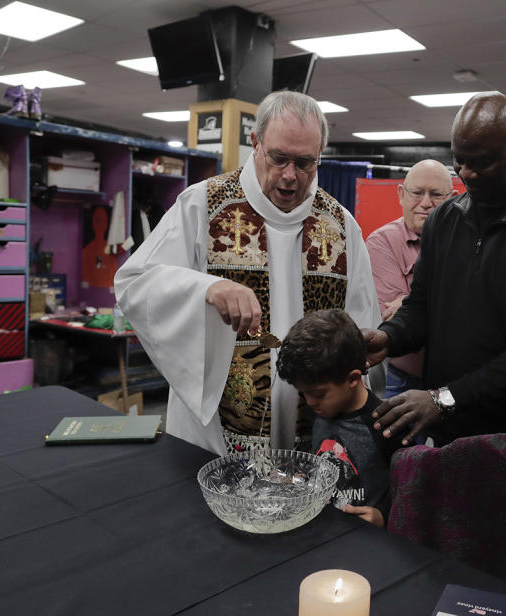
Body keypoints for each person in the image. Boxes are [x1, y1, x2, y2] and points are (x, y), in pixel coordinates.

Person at [115, 91, 381, 455]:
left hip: (315, 427)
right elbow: (134, 283)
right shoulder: (202, 205)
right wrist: (207, 288)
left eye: (305, 163)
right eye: (279, 158)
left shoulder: (340, 226)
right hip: (218, 432)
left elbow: (362, 325)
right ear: (255, 143)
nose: (290, 176)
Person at [363, 92, 506, 446]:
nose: (467, 173)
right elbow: (422, 306)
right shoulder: (444, 219)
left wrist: (443, 399)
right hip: (450, 431)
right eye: (460, 161)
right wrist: (388, 337)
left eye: (482, 162)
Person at [276, 309, 403, 528]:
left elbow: (410, 494)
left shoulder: (388, 424)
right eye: (302, 393)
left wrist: (385, 517)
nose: (309, 402)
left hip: (366, 544)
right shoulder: (320, 410)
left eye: (317, 394)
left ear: (353, 378)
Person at [365, 159, 455, 398]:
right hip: (402, 380)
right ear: (401, 194)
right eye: (417, 193)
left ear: (453, 198)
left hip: (453, 379)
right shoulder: (381, 242)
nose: (426, 203)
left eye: (436, 194)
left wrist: (408, 300)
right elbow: (393, 315)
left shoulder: (465, 242)